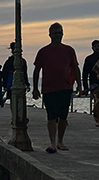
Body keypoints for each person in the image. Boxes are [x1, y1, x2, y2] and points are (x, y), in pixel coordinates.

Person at [32, 23, 83, 153]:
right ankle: (53, 143)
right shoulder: (43, 51)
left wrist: (79, 85)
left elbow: (75, 68)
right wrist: (35, 88)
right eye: (55, 33)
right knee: (51, 116)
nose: (58, 35)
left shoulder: (69, 50)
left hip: (65, 87)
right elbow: (37, 70)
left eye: (60, 32)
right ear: (50, 35)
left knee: (63, 116)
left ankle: (60, 141)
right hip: (49, 88)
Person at [82, 40, 99, 122]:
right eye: (95, 46)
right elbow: (85, 73)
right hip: (93, 83)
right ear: (92, 48)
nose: (97, 48)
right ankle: (98, 118)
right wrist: (85, 87)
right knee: (97, 101)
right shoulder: (89, 59)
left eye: (98, 46)